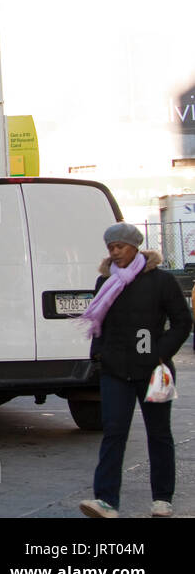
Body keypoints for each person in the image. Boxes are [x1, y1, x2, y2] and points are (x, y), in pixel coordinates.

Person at [79, 222, 191, 518]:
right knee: (114, 432)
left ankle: (162, 499)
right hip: (116, 371)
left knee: (159, 434)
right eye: (111, 248)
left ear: (135, 247)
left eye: (120, 247)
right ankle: (106, 501)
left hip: (155, 372)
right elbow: (99, 325)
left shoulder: (161, 281)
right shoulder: (106, 283)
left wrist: (160, 353)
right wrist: (98, 357)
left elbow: (183, 322)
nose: (115, 253)